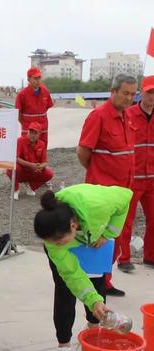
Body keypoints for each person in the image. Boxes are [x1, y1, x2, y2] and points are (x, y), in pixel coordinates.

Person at [34, 184, 133, 351]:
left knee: (97, 286)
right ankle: (63, 346)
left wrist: (108, 233)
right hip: (77, 242)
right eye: (50, 243)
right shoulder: (55, 242)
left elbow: (125, 196)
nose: (55, 245)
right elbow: (72, 274)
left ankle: (94, 331)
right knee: (65, 290)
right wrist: (91, 298)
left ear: (73, 225)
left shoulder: (98, 205)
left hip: (94, 243)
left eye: (58, 241)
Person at [77, 73, 138, 296]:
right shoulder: (98, 116)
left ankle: (105, 278)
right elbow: (83, 152)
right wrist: (97, 175)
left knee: (116, 237)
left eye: (133, 94)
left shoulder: (127, 116)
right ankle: (89, 282)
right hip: (102, 191)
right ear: (112, 92)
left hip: (123, 192)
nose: (129, 98)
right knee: (96, 237)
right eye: (125, 93)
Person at [118, 75, 154, 271]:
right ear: (141, 93)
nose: (152, 97)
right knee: (126, 220)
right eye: (149, 92)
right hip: (132, 179)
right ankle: (124, 259)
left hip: (152, 180)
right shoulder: (129, 114)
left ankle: (150, 256)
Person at [7, 122, 54, 200]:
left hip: (34, 170)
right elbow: (16, 158)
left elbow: (45, 162)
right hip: (22, 169)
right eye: (31, 132)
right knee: (10, 168)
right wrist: (30, 165)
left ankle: (30, 186)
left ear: (39, 134)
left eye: (35, 133)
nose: (32, 135)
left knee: (49, 174)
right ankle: (15, 190)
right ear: (28, 132)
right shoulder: (20, 140)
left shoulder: (42, 144)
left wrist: (41, 166)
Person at [15, 67, 54, 147]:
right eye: (35, 78)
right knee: (27, 147)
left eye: (39, 78)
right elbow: (17, 113)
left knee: (42, 147)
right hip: (28, 128)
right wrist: (25, 123)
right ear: (29, 79)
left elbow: (47, 107)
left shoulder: (45, 92)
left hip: (42, 127)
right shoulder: (22, 94)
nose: (38, 80)